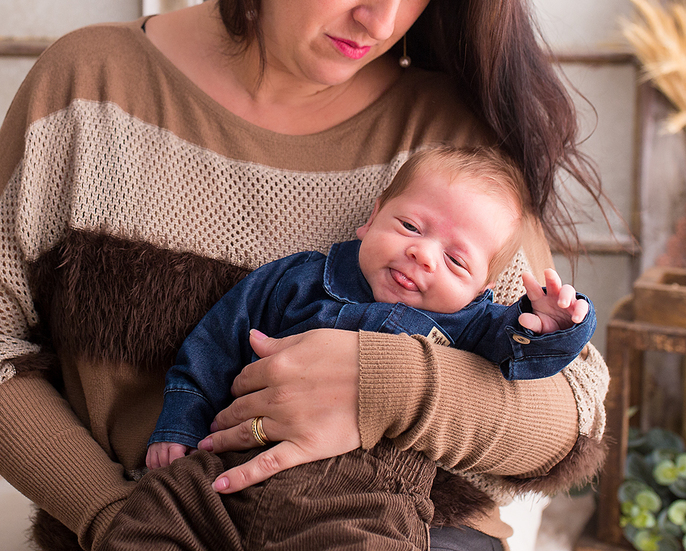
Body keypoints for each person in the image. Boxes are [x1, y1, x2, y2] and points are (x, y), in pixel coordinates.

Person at [0, 0, 609, 551]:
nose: (383, 16)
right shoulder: (92, 89)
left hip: (407, 532)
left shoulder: (450, 144)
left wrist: (388, 387)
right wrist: (114, 516)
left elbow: (573, 413)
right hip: (164, 523)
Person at [105, 146, 596, 549]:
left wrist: (552, 329)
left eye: (455, 260)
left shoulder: (472, 326)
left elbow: (521, 362)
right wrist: (181, 419)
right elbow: (215, 342)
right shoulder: (298, 279)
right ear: (372, 218)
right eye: (410, 227)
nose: (422, 254)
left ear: (482, 289)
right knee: (146, 521)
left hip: (361, 498)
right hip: (227, 464)